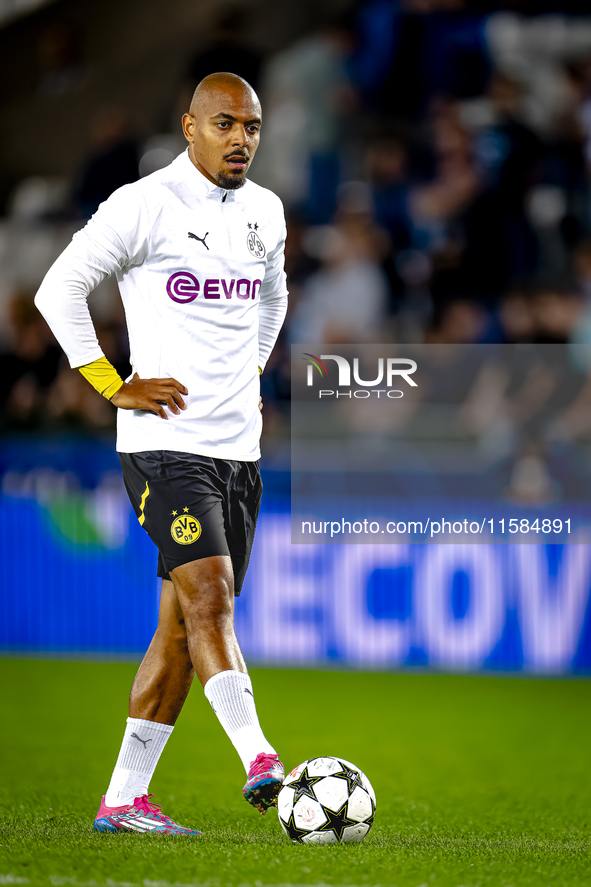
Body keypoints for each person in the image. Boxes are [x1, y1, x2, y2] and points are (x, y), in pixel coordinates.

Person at [34, 72, 288, 836]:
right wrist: (112, 385)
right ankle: (262, 759)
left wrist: (250, 370)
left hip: (235, 451)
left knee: (181, 628)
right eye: (224, 123)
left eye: (251, 125)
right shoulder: (144, 203)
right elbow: (59, 289)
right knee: (212, 599)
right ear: (189, 127)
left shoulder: (265, 212)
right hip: (163, 446)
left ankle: (123, 800)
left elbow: (273, 296)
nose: (240, 137)